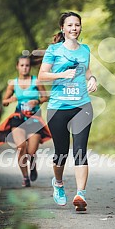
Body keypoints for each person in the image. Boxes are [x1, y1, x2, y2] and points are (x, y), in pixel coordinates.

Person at [38, 12, 97, 211]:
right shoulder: (53, 50)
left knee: (80, 150)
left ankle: (80, 195)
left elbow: (87, 71)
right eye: (70, 25)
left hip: (82, 106)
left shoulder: (85, 49)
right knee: (61, 153)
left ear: (81, 27)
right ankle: (59, 183)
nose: (74, 28)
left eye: (77, 25)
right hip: (58, 107)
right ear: (62, 28)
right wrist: (62, 74)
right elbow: (42, 75)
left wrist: (92, 79)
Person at [0, 55, 51, 187]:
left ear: (30, 67)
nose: (24, 68)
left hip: (34, 120)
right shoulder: (13, 83)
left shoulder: (36, 81)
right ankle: (25, 177)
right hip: (19, 119)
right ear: (17, 66)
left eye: (27, 65)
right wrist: (10, 100)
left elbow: (46, 97)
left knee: (31, 152)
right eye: (22, 65)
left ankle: (32, 167)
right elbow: (4, 101)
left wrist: (37, 101)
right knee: (21, 148)